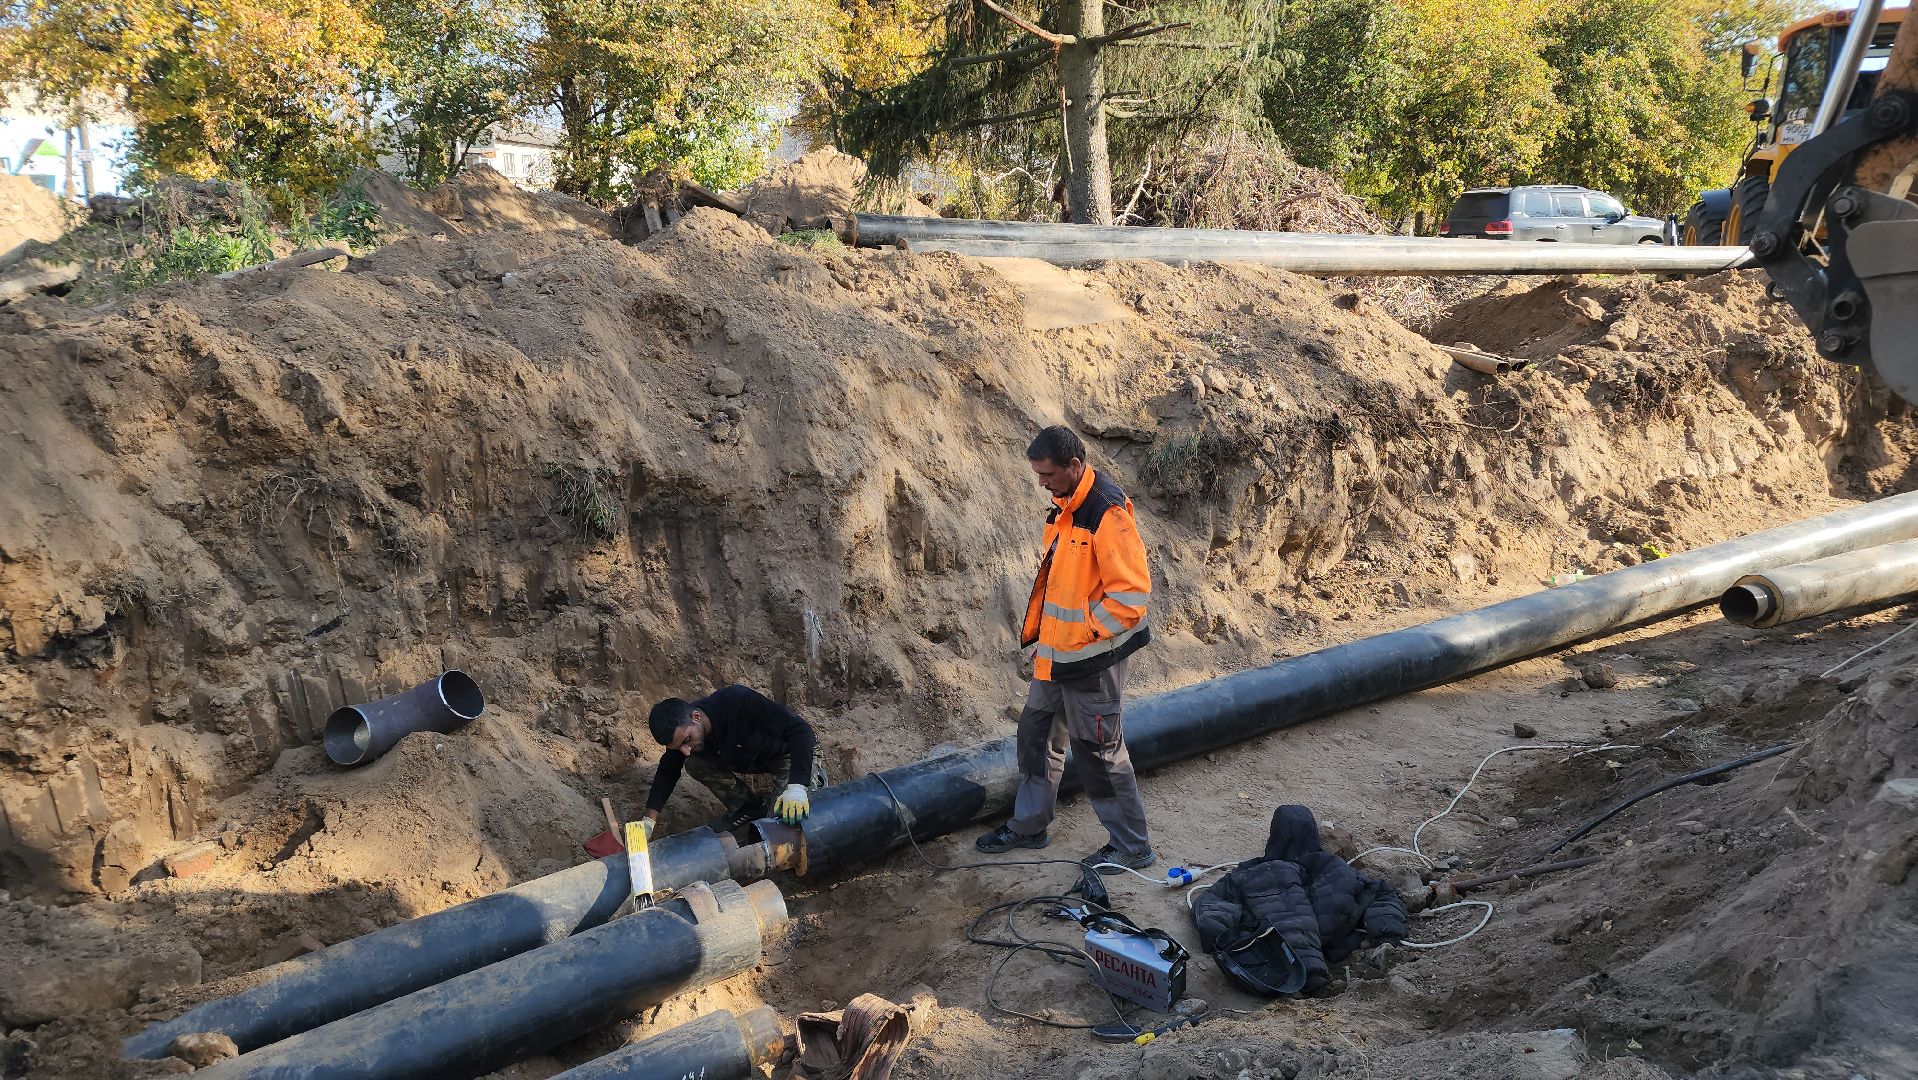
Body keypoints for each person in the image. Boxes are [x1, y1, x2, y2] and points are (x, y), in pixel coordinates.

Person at [976, 425, 1156, 874]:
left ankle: (1132, 846)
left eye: (1048, 474)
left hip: (1091, 661)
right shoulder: (1066, 507)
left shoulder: (1106, 513)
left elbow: (1131, 598)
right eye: (1039, 474)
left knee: (1099, 752)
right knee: (1036, 733)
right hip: (1056, 657)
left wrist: (1087, 635)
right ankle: (1030, 824)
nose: (1042, 482)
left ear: (1074, 467)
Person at [641, 685, 824, 836]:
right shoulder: (683, 734)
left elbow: (801, 731)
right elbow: (667, 771)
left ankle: (812, 787)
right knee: (694, 763)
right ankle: (748, 807)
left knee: (782, 826)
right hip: (753, 758)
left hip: (789, 754)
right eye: (679, 747)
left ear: (696, 717)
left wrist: (797, 786)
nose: (685, 750)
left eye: (687, 740)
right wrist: (648, 821)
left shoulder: (737, 702)